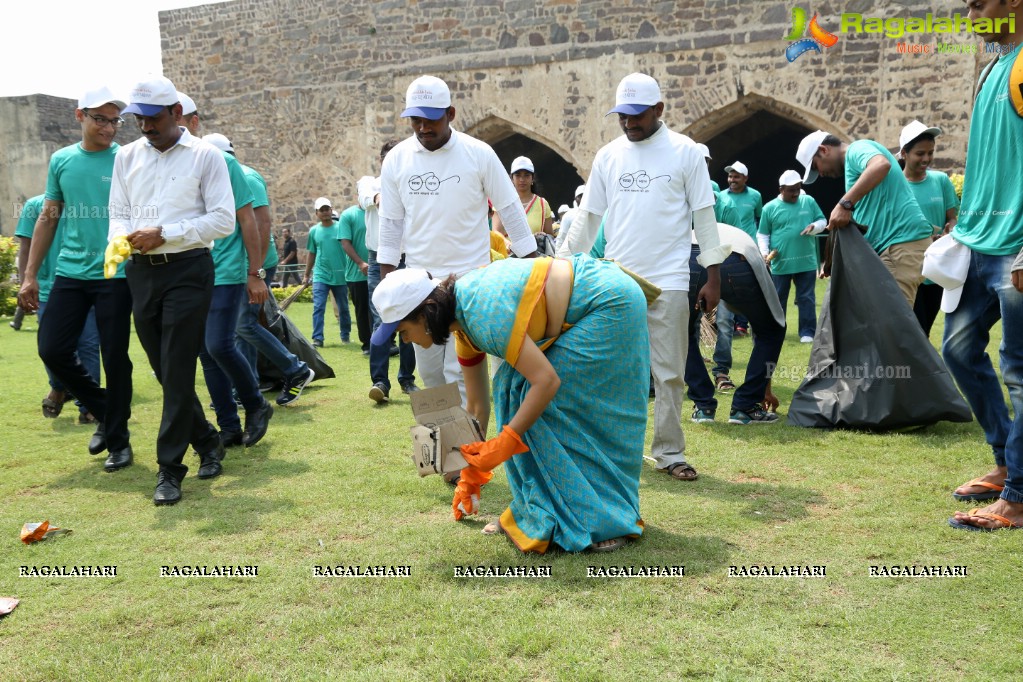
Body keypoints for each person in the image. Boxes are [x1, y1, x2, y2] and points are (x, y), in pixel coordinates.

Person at [371, 256, 649, 553]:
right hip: (597, 301)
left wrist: (505, 442)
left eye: (403, 332)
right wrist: (469, 473)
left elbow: (546, 381)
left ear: (425, 314)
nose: (406, 341)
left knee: (528, 391)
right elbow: (478, 406)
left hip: (610, 304)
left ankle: (604, 520)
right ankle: (536, 511)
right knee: (509, 388)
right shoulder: (463, 324)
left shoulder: (481, 313)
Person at [558, 72, 728, 482]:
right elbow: (589, 217)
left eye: (637, 116)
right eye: (622, 116)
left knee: (669, 372)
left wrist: (713, 276)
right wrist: (562, 262)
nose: (629, 124)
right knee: (616, 373)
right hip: (616, 280)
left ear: (659, 110)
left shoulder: (685, 152)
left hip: (669, 277)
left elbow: (704, 216)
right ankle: (615, 451)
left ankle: (670, 453)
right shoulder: (608, 155)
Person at [108, 75, 237, 505]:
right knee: (165, 370)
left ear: (176, 113)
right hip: (140, 272)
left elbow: (223, 220)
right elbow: (117, 212)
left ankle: (169, 469)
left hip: (188, 269)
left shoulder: (206, 156)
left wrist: (167, 233)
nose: (144, 126)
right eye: (137, 119)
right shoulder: (125, 157)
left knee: (178, 367)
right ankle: (207, 439)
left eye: (152, 118)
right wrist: (121, 242)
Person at [377, 75, 536, 398]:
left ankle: (467, 446)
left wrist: (532, 262)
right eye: (416, 120)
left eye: (431, 119)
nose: (423, 128)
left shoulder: (478, 153)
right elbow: (391, 222)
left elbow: (509, 207)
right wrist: (387, 278)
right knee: (431, 373)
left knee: (463, 373)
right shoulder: (397, 159)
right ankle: (444, 442)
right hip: (420, 286)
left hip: (470, 282)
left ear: (450, 113)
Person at [17, 86, 135, 473]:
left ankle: (117, 440)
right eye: (100, 118)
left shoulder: (128, 159)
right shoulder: (62, 160)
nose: (109, 127)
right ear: (79, 116)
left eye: (115, 119)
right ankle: (106, 411)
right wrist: (30, 276)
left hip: (116, 273)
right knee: (51, 348)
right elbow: (47, 217)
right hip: (70, 271)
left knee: (115, 357)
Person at [944, 0, 1023, 532]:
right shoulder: (995, 64)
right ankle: (1004, 461)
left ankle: (1017, 497)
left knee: (1019, 370)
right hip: (980, 241)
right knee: (958, 349)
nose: (970, 10)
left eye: (980, 1)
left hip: (1017, 243)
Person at [186, 131, 274, 452]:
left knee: (220, 345)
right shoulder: (175, 163)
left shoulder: (226, 163)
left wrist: (255, 273)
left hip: (227, 272)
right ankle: (229, 427)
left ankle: (255, 402)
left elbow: (252, 221)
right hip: (194, 272)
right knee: (207, 355)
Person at [795, 130, 933, 307]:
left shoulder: (856, 149)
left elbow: (880, 165)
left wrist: (844, 204)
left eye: (815, 166)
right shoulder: (855, 170)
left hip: (899, 245)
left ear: (823, 150)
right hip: (892, 248)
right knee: (880, 323)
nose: (820, 173)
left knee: (892, 325)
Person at [686, 224, 786, 424]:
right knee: (772, 330)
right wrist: (762, 386)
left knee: (683, 334)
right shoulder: (751, 248)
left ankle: (703, 406)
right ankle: (746, 406)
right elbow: (767, 326)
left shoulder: (695, 231)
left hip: (689, 258)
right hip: (736, 259)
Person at [15, 194, 101, 423]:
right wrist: (25, 281)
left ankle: (90, 406)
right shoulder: (35, 206)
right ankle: (58, 387)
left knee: (89, 345)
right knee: (50, 347)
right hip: (47, 289)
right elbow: (25, 246)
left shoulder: (87, 204)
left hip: (86, 282)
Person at [359, 140, 418, 404]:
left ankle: (407, 379)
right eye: (388, 156)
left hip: (410, 259)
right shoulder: (370, 183)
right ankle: (380, 382)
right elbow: (365, 198)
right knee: (382, 319)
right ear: (382, 159)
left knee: (412, 319)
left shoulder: (412, 184)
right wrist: (381, 197)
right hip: (377, 260)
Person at [897, 120, 959, 337]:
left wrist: (949, 231)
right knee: (914, 330)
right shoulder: (896, 186)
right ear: (904, 153)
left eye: (930, 153)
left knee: (924, 330)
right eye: (920, 153)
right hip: (907, 269)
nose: (926, 159)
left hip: (936, 269)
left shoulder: (940, 180)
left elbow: (952, 218)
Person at [757, 170, 826, 343]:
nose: (796, 192)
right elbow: (763, 234)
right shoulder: (769, 208)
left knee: (806, 297)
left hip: (806, 260)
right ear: (781, 189)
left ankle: (808, 332)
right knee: (779, 298)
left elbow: (822, 221)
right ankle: (777, 331)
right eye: (791, 189)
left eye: (798, 188)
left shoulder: (808, 201)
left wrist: (814, 227)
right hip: (781, 262)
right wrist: (764, 253)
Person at [304, 197, 352, 348]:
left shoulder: (340, 228)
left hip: (340, 274)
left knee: (343, 307)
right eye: (322, 210)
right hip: (321, 274)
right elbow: (311, 253)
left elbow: (349, 247)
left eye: (327, 209)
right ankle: (317, 338)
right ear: (316, 213)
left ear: (331, 210)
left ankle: (345, 335)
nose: (325, 212)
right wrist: (306, 274)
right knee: (318, 307)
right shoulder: (314, 231)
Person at [338, 203, 373, 354]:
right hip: (357, 274)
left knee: (381, 308)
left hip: (379, 270)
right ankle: (367, 344)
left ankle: (387, 342)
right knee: (363, 310)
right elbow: (345, 242)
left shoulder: (379, 211)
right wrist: (360, 263)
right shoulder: (348, 215)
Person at [492, 156, 554, 236]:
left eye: (526, 175)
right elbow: (496, 232)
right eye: (518, 175)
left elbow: (550, 235)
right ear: (512, 178)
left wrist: (542, 236)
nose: (522, 179)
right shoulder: (502, 202)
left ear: (532, 178)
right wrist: (507, 244)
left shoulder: (542, 204)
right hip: (507, 248)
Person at [555, 185, 586, 252]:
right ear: (575, 199)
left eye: (585, 195)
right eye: (580, 196)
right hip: (572, 255)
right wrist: (557, 256)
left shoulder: (596, 215)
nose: (582, 198)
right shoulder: (569, 215)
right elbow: (561, 238)